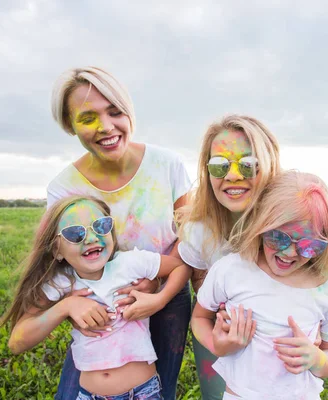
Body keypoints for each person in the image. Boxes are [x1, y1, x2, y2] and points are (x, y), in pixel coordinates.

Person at [47, 67, 192, 400]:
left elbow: (190, 240)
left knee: (158, 389)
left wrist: (158, 290)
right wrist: (71, 303)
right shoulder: (63, 187)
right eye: (88, 118)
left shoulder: (167, 165)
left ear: (129, 113)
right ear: (70, 125)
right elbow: (59, 257)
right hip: (99, 303)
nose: (106, 127)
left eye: (115, 112)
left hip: (167, 297)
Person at [1, 196, 191, 399]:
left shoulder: (131, 263)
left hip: (144, 393)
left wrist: (159, 299)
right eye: (75, 234)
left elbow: (180, 266)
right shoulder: (62, 283)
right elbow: (17, 342)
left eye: (100, 226)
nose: (91, 238)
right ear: (57, 250)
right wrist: (65, 306)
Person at [191, 170, 328, 399]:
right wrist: (216, 345)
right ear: (261, 224)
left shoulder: (322, 288)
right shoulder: (232, 270)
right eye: (279, 238)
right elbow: (199, 318)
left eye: (308, 244)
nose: (290, 253)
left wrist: (316, 359)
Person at [176, 114, 281, 399]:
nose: (233, 175)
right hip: (218, 340)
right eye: (220, 165)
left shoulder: (286, 224)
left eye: (248, 165)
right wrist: (217, 333)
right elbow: (198, 277)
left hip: (276, 342)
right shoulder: (199, 229)